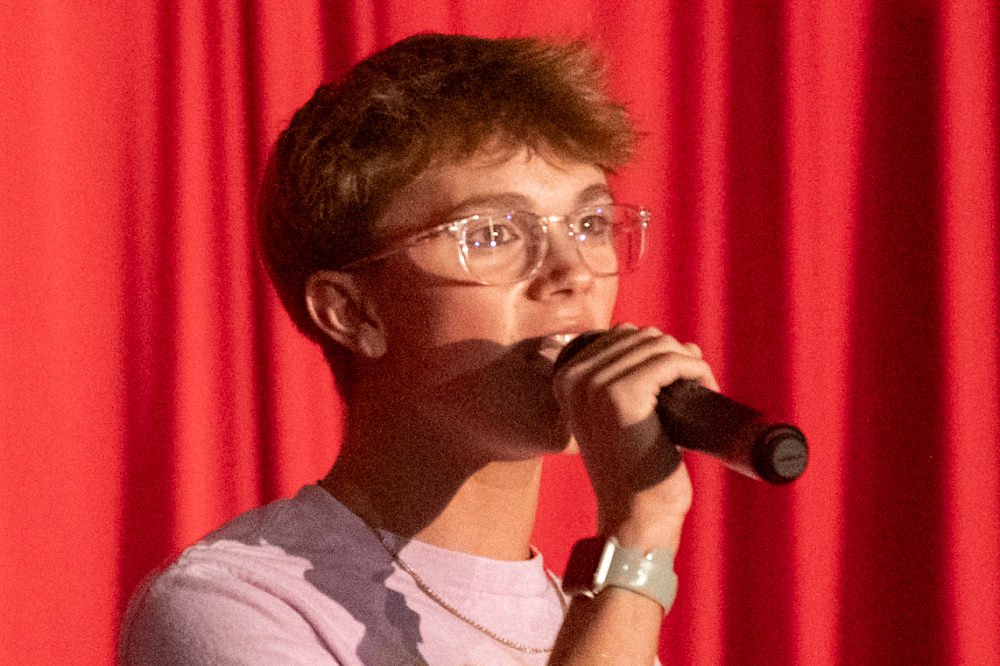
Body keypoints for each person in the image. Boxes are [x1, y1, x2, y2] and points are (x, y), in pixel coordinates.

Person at [119, 33, 718, 665]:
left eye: (591, 224)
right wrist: (637, 537)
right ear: (354, 312)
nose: (572, 271)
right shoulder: (232, 608)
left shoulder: (602, 623)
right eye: (492, 234)